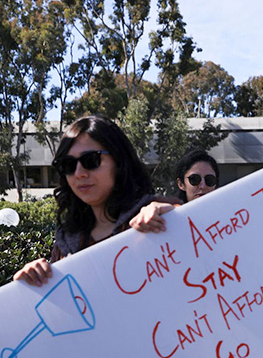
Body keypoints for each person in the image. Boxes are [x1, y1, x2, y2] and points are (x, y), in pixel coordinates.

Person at [14, 116, 165, 285]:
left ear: (119, 161)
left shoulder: (157, 216)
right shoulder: (65, 242)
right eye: (68, 165)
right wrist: (32, 284)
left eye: (91, 160)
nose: (79, 173)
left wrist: (176, 220)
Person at [130, 149, 220, 232]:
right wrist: (151, 212)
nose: (202, 186)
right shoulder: (170, 216)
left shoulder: (230, 218)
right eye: (194, 179)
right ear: (181, 184)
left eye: (209, 180)